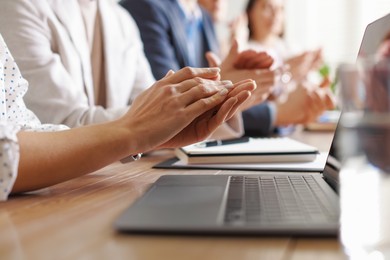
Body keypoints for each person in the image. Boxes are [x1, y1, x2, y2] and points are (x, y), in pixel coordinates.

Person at [0, 33, 256, 200]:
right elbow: (7, 152)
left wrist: (149, 134)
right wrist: (131, 132)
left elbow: (24, 130)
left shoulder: (121, 18)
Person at [0, 0, 247, 139]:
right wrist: (176, 113)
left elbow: (148, 102)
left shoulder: (122, 19)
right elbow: (61, 123)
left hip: (114, 179)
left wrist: (218, 101)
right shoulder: (21, 6)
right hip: (55, 195)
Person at [122, 0, 334, 137]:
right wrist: (277, 112)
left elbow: (219, 82)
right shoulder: (147, 7)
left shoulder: (203, 17)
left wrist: (244, 85)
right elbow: (169, 101)